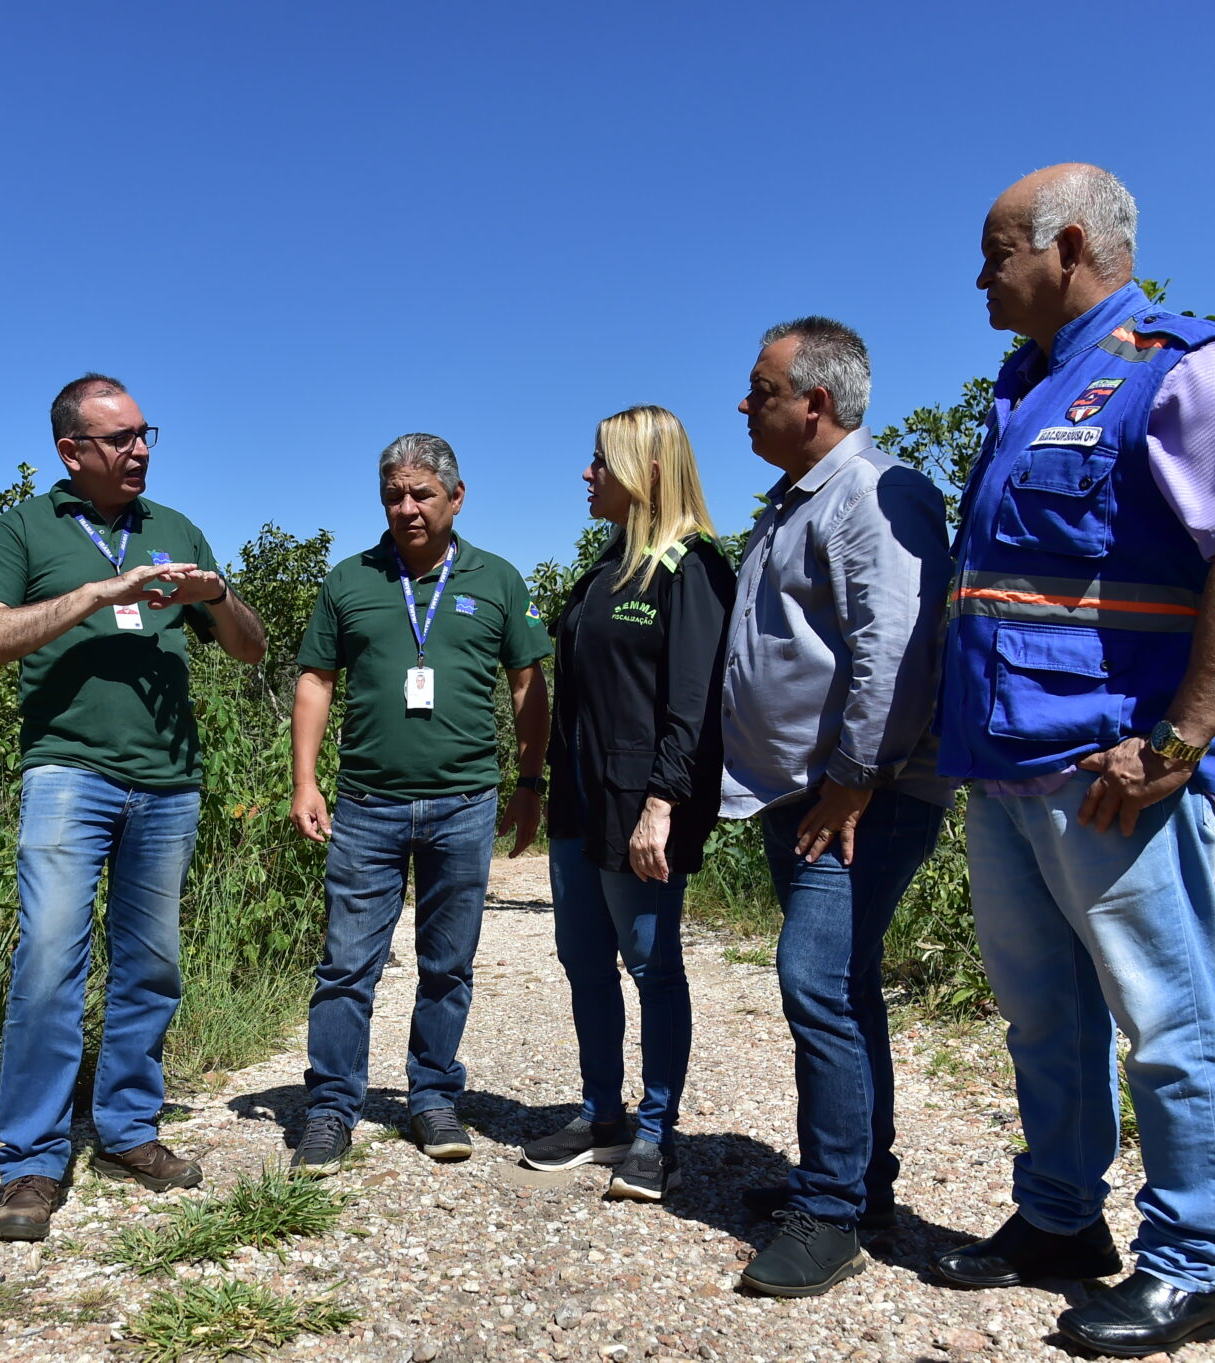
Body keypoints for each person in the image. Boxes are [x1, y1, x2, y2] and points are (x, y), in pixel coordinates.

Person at [933, 165, 1215, 1356]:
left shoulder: (1179, 370)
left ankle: (1193, 1267)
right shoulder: (1024, 385)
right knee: (1044, 1020)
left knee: (1165, 1020)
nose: (980, 275)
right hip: (1002, 768)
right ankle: (1056, 1219)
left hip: (1112, 771)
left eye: (996, 253)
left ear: (1069, 245)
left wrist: (1176, 745)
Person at [0, 373, 267, 1242]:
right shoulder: (25, 527)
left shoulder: (175, 528)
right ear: (72, 451)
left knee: (151, 963)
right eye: (119, 438)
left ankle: (129, 1130)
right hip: (68, 774)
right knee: (50, 959)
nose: (138, 450)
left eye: (144, 435)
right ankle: (32, 1159)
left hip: (169, 780)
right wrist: (95, 594)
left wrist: (217, 598)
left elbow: (251, 650)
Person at [720, 319, 956, 1297]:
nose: (745, 405)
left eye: (759, 388)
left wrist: (854, 781)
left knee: (813, 978)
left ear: (811, 403)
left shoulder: (872, 494)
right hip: (806, 792)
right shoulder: (796, 501)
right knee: (843, 986)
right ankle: (859, 1183)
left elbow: (893, 649)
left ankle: (828, 1214)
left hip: (863, 793)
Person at [287, 433, 552, 1174]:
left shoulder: (496, 579)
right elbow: (316, 680)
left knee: (448, 962)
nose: (406, 507)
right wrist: (305, 781)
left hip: (464, 802)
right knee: (346, 963)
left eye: (421, 493)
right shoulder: (350, 580)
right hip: (367, 802)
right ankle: (332, 1107)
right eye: (394, 495)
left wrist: (530, 783)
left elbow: (528, 686)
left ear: (456, 498)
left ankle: (432, 1095)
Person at [518, 406, 735, 1202]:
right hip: (581, 801)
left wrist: (663, 805)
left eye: (599, 462)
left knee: (650, 962)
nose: (587, 474)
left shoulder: (693, 567)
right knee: (583, 961)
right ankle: (600, 1114)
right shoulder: (604, 569)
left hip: (642, 804)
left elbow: (694, 703)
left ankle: (656, 1130)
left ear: (647, 471)